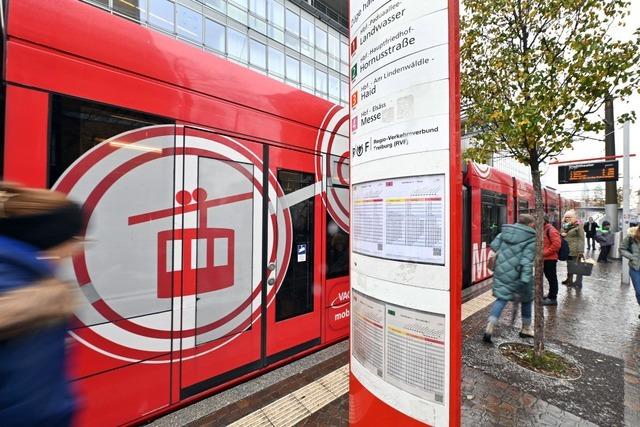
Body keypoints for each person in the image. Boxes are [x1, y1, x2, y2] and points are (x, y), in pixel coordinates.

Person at [0, 183, 84, 426]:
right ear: (53, 237)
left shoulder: (22, 274)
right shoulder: (32, 296)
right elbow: (32, 402)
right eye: (75, 238)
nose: (76, 249)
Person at [483, 214, 536, 343]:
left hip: (501, 270)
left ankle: (490, 325)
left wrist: (507, 249)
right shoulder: (531, 238)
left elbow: (495, 246)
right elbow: (527, 261)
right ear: (530, 224)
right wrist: (525, 279)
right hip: (518, 274)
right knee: (527, 300)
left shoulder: (506, 231)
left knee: (501, 298)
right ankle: (526, 329)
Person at [561, 210, 585, 288]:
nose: (567, 219)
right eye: (566, 217)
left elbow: (582, 239)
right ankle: (569, 280)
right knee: (569, 265)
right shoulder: (565, 226)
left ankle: (578, 282)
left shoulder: (578, 226)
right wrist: (562, 234)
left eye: (569, 217)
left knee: (578, 267)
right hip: (567, 249)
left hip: (575, 250)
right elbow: (563, 235)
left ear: (573, 218)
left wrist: (581, 251)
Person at [620, 225, 640, 319]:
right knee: (639, 291)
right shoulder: (631, 236)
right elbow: (622, 249)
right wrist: (632, 257)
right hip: (635, 268)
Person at [542, 215, 562, 306]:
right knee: (550, 278)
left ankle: (553, 298)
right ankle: (550, 295)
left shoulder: (551, 230)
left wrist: (544, 253)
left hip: (550, 259)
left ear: (544, 220)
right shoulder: (544, 229)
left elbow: (557, 245)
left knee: (552, 278)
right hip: (546, 259)